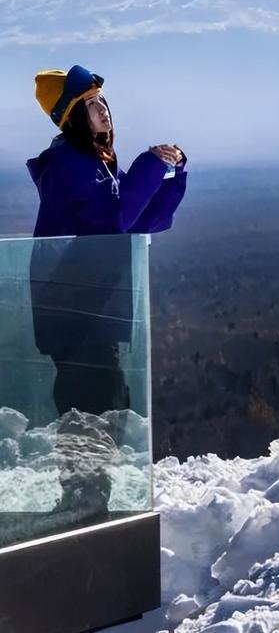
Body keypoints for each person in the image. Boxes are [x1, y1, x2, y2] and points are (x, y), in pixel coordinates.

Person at [26, 64, 188, 417]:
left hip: (90, 312)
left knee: (109, 410)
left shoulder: (97, 163)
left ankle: (93, 472)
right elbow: (114, 220)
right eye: (90, 104)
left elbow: (143, 220)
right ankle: (86, 474)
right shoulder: (68, 164)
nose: (103, 109)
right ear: (72, 118)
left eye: (102, 101)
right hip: (74, 313)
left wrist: (170, 173)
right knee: (95, 413)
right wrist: (150, 163)